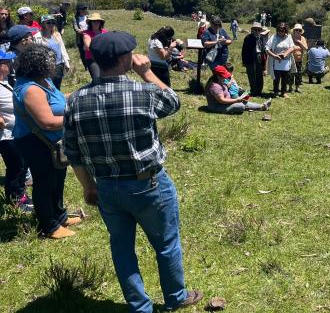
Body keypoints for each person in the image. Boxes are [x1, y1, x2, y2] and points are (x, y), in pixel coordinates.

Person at [63, 32, 203, 312]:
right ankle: (175, 297)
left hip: (105, 186)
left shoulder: (76, 100)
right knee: (166, 244)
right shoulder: (143, 93)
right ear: (126, 58)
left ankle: (140, 306)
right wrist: (147, 73)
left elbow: (73, 151)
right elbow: (173, 102)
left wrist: (87, 186)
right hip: (147, 184)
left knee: (122, 248)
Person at [12, 45, 73, 239]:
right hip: (35, 142)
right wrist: (77, 118)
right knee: (44, 181)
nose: (53, 64)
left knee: (58, 177)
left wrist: (81, 95)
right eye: (49, 61)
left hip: (52, 142)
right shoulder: (30, 88)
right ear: (38, 64)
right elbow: (47, 122)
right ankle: (49, 225)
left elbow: (59, 99)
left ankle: (59, 215)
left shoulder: (44, 81)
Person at [0, 49, 31, 210]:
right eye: (5, 63)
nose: (10, 64)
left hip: (16, 132)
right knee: (16, 168)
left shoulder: (4, 82)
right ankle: (16, 200)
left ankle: (20, 195)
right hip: (6, 136)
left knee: (21, 166)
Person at [205, 65, 271, 114]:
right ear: (218, 76)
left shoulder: (219, 81)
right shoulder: (215, 86)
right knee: (241, 106)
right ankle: (232, 110)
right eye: (223, 76)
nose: (225, 77)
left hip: (226, 103)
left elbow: (225, 89)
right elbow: (222, 101)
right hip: (218, 106)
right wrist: (236, 100)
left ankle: (262, 106)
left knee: (243, 102)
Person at [33, 14, 71, 90]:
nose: (51, 24)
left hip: (59, 65)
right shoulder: (37, 37)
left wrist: (66, 62)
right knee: (48, 87)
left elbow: (62, 49)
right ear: (42, 23)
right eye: (48, 22)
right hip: (46, 66)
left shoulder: (57, 34)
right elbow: (37, 53)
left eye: (53, 22)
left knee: (57, 86)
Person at [266, 22, 297, 98]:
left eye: (283, 30)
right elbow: (267, 49)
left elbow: (292, 47)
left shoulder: (288, 37)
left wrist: (285, 54)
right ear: (277, 30)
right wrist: (275, 56)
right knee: (276, 78)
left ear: (285, 31)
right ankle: (275, 91)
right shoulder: (273, 37)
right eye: (279, 30)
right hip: (275, 61)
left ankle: (283, 92)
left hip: (286, 61)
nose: (281, 32)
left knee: (285, 78)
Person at [241, 22, 266, 96]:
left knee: (259, 75)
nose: (257, 31)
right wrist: (244, 61)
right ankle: (254, 91)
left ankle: (259, 91)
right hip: (250, 59)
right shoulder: (248, 38)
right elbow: (244, 50)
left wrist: (264, 61)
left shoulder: (261, 38)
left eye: (259, 30)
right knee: (252, 76)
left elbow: (263, 49)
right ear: (252, 30)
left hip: (259, 58)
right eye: (255, 29)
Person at [82, 12, 108, 79]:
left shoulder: (105, 32)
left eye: (98, 21)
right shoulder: (86, 33)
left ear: (100, 22)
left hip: (104, 58)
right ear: (90, 22)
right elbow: (88, 47)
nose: (96, 23)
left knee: (106, 77)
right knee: (96, 78)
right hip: (92, 59)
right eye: (94, 21)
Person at [289, 23, 308, 93]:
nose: (298, 31)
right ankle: (290, 87)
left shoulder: (302, 38)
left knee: (298, 74)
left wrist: (299, 42)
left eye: (299, 30)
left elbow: (306, 48)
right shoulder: (290, 37)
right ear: (294, 31)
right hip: (291, 59)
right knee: (291, 74)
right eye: (296, 30)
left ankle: (297, 88)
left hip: (299, 60)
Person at [72, 4, 89, 69]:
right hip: (80, 39)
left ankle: (90, 64)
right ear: (79, 10)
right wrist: (86, 30)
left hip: (89, 37)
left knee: (89, 51)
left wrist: (83, 30)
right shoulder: (75, 18)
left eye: (85, 9)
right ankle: (86, 66)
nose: (84, 10)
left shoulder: (88, 17)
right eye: (83, 9)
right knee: (82, 53)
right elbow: (77, 30)